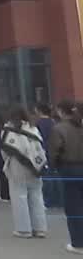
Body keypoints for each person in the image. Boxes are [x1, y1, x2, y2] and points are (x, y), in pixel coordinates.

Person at [1, 106, 47, 239]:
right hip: (36, 166)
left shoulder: (8, 130)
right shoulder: (33, 128)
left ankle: (23, 229)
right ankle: (40, 228)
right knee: (37, 196)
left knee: (19, 197)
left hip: (17, 166)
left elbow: (5, 151)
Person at [49, 100, 83, 254]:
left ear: (62, 111)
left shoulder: (59, 128)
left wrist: (54, 166)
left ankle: (78, 243)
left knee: (73, 207)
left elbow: (55, 151)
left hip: (69, 168)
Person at [35, 104, 62, 209]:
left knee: (46, 178)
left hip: (43, 152)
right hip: (54, 152)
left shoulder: (38, 124)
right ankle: (59, 200)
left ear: (39, 111)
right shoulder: (54, 122)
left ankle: (48, 201)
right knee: (56, 176)